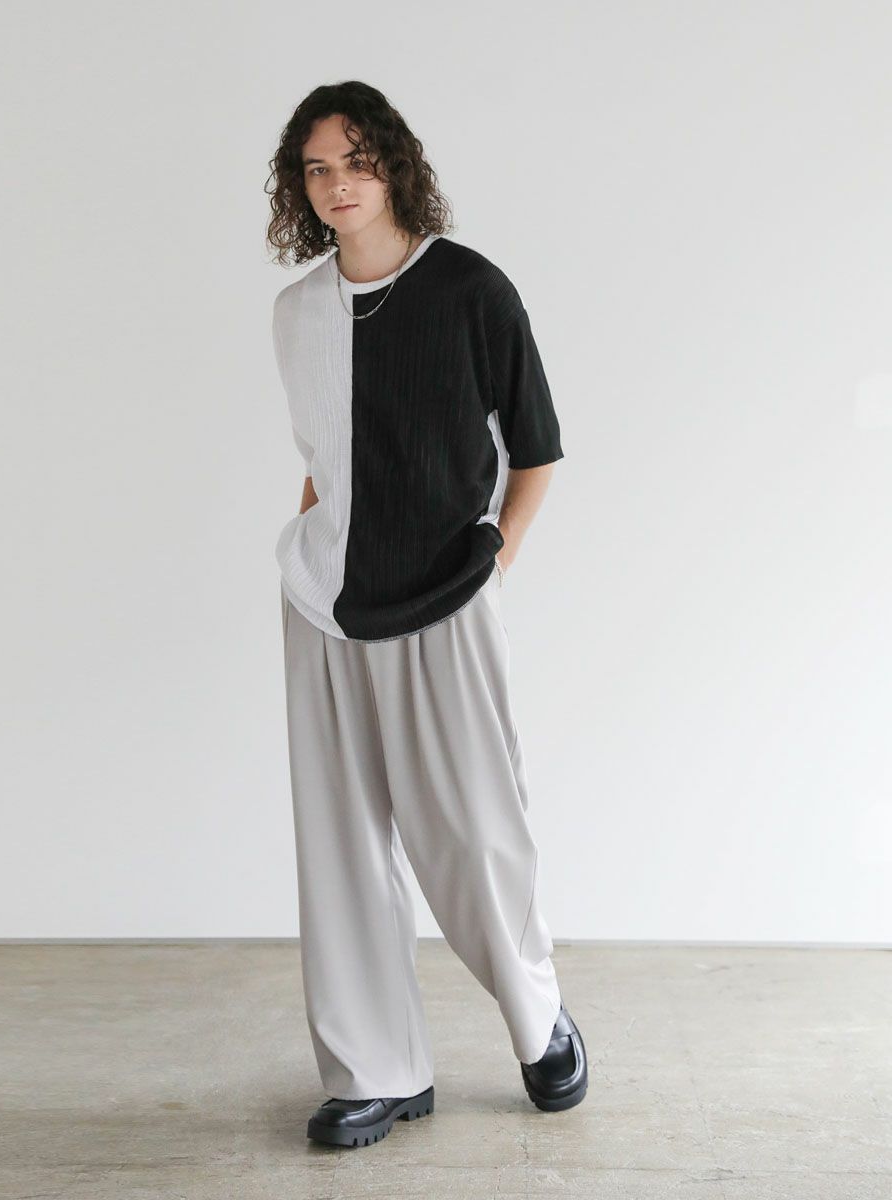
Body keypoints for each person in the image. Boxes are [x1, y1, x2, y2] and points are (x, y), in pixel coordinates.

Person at [265, 81, 587, 1149]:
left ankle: (538, 1017)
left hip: (447, 596)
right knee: (342, 848)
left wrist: (493, 560)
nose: (337, 184)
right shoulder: (297, 313)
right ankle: (378, 1070)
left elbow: (535, 451)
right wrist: (312, 544)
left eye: (354, 160)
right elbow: (324, 460)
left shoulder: (470, 289)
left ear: (393, 164)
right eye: (316, 168)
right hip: (324, 604)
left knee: (475, 834)